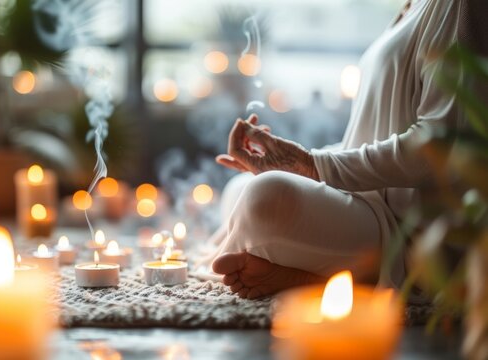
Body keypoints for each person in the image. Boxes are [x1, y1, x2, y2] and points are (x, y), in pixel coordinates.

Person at [208, 0, 487, 299]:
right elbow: (370, 137)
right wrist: (290, 161)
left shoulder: (461, 6)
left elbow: (437, 145)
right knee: (241, 187)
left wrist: (310, 165)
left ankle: (323, 278)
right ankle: (315, 275)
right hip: (367, 201)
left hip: (411, 231)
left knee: (265, 197)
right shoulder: (413, 5)